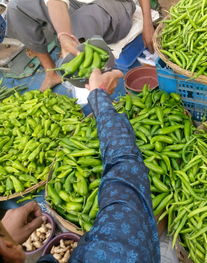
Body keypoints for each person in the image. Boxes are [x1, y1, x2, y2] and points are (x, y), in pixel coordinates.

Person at [0, 68, 160, 263]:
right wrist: (98, 97)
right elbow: (127, 185)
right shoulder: (112, 254)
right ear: (8, 248)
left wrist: (8, 236)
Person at [6, 0, 155, 91]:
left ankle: (96, 85)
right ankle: (51, 72)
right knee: (16, 6)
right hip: (77, 3)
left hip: (113, 5)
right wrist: (64, 35)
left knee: (81, 23)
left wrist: (147, 23)